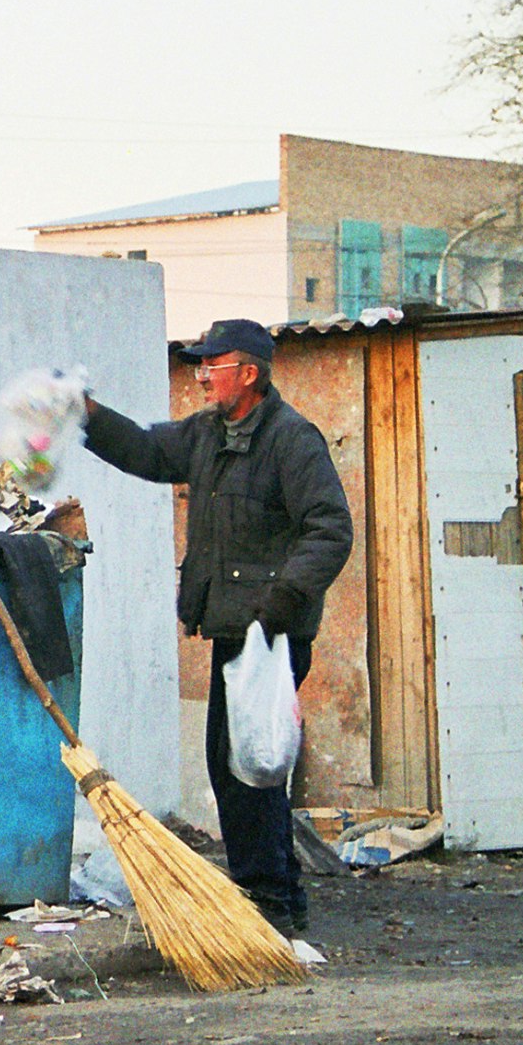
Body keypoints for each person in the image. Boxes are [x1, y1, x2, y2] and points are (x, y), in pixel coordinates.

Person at [84, 318, 352, 933]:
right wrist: (87, 414)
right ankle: (273, 899)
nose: (201, 376)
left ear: (249, 373)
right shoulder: (209, 433)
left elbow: (330, 528)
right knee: (239, 769)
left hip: (274, 634)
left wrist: (285, 597)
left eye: (213, 365)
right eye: (200, 365)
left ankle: (270, 907)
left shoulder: (291, 440)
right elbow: (149, 451)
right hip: (236, 630)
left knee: (249, 772)